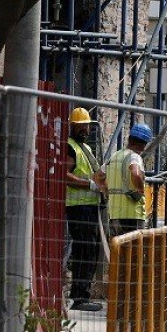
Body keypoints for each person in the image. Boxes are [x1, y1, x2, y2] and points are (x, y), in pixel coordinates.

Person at [65, 108, 103, 311]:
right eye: (82, 125)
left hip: (89, 206)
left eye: (87, 125)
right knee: (84, 251)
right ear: (73, 126)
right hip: (78, 207)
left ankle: (82, 294)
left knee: (91, 250)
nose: (86, 128)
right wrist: (89, 184)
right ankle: (79, 298)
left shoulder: (84, 148)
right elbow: (65, 175)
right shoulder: (71, 147)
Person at [105, 124, 152, 239]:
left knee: (117, 252)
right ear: (143, 145)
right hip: (132, 216)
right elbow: (135, 173)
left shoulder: (114, 157)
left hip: (114, 214)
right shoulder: (134, 157)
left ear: (129, 139)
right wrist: (140, 189)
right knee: (134, 253)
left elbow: (97, 176)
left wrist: (105, 192)